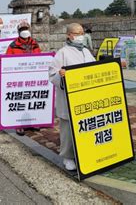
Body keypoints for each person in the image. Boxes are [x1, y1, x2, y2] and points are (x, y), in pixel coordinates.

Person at [49, 23, 96, 171]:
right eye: (77, 33)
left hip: (85, 97)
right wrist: (60, 75)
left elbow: (95, 69)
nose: (80, 36)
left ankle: (83, 154)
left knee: (84, 126)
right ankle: (67, 157)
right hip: (69, 98)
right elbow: (52, 74)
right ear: (69, 35)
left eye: (82, 33)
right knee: (68, 129)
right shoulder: (62, 53)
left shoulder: (87, 52)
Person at [5, 21, 42, 136]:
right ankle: (19, 124)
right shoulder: (13, 45)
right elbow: (6, 60)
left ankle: (33, 121)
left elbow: (40, 57)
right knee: (19, 101)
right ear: (19, 32)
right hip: (18, 78)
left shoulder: (34, 44)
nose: (25, 31)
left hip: (32, 77)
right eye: (22, 30)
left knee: (32, 99)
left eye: (26, 29)